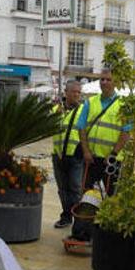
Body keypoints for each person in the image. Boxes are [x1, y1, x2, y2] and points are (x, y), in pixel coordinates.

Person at [77, 68, 132, 195]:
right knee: (86, 196)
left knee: (111, 196)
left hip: (111, 160)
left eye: (108, 79)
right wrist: (85, 151)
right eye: (102, 79)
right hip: (91, 159)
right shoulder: (90, 102)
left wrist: (113, 154)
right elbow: (81, 128)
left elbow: (126, 133)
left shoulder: (123, 105)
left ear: (116, 83)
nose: (105, 82)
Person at [51, 80, 84, 229]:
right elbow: (48, 126)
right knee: (62, 188)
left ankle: (78, 218)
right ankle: (66, 216)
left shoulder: (84, 110)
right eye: (74, 92)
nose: (77, 95)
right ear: (66, 93)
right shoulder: (56, 109)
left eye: (79, 92)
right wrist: (54, 116)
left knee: (76, 188)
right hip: (58, 155)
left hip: (75, 156)